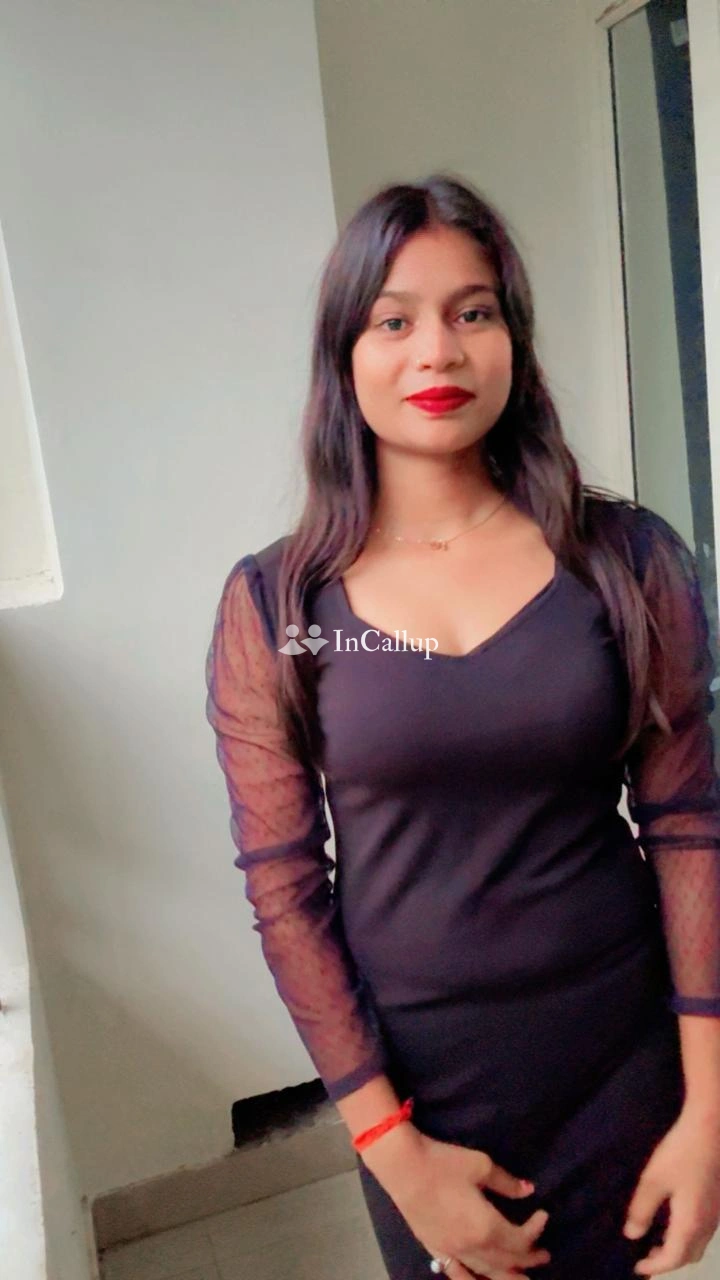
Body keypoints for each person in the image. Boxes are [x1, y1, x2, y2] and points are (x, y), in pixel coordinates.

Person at [205, 174, 720, 1280]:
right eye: (393, 321)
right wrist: (394, 1152)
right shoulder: (280, 606)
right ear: (344, 356)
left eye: (471, 311)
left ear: (514, 341)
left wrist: (710, 1110)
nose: (437, 351)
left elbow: (687, 825)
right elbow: (285, 889)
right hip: (422, 1092)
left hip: (623, 1056)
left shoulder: (626, 561)